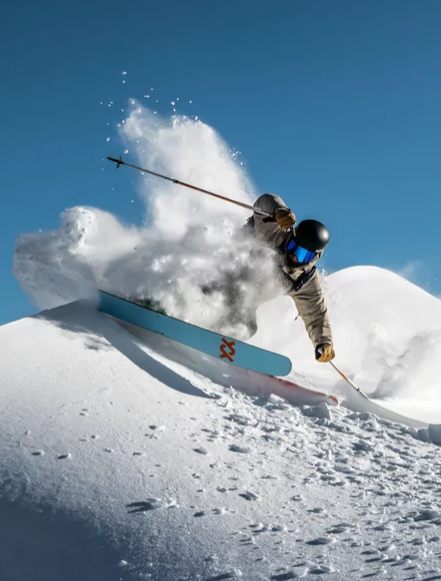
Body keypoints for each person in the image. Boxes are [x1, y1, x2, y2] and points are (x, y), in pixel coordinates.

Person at [249, 193, 335, 363]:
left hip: (239, 301)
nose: (295, 256)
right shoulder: (276, 234)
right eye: (294, 247)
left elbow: (316, 315)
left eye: (303, 254)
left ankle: (210, 335)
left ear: (313, 257)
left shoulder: (304, 280)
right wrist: (278, 211)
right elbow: (263, 204)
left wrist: (324, 343)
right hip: (222, 270)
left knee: (246, 327)